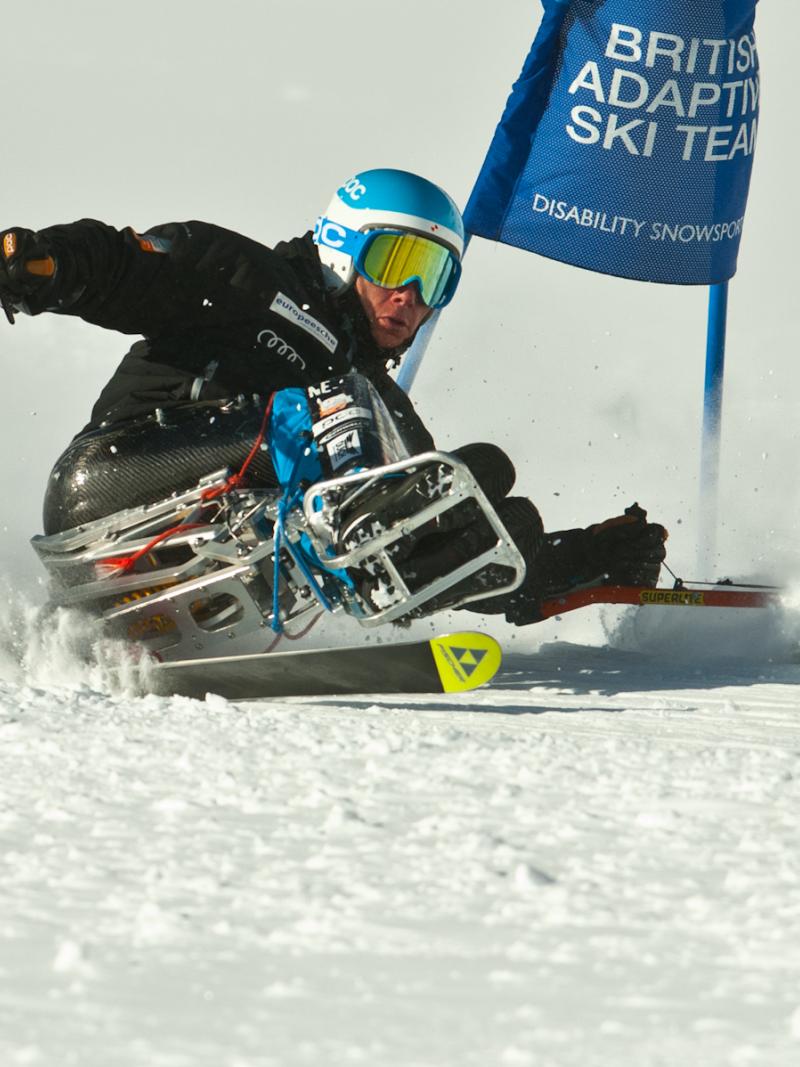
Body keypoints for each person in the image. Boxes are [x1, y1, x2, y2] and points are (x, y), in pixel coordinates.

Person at [0, 168, 667, 625]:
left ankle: (335, 574)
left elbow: (433, 541)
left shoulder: (370, 399)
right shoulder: (251, 282)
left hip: (191, 563)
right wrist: (46, 266)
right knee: (336, 409)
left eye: (434, 276)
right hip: (107, 485)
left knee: (462, 491)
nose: (410, 295)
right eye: (394, 262)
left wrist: (586, 561)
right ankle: (342, 554)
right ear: (345, 249)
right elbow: (130, 268)